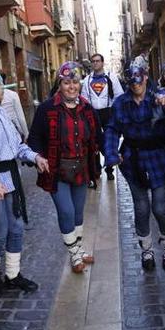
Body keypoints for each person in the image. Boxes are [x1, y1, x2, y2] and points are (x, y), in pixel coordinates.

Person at [0, 68, 49, 295]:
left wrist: (35, 157)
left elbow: (17, 145)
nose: (3, 86)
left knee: (16, 227)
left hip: (11, 176)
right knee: (0, 229)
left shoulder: (0, 111)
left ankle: (13, 274)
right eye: (1, 82)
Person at [104, 58, 165, 272]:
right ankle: (146, 251)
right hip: (133, 160)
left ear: (146, 76)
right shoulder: (120, 103)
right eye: (132, 81)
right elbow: (111, 129)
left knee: (160, 207)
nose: (136, 84)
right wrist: (110, 154)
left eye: (139, 79)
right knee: (141, 207)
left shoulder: (160, 98)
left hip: (159, 159)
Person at [28, 61, 100, 273]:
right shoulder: (47, 108)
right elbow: (34, 138)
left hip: (81, 169)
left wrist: (113, 153)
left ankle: (77, 249)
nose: (72, 86)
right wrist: (38, 157)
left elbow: (98, 136)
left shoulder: (87, 108)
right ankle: (74, 255)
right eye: (67, 82)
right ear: (59, 84)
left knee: (78, 214)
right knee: (66, 212)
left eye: (75, 82)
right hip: (57, 171)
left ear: (80, 84)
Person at [81, 53, 124, 183]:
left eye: (97, 61)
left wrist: (115, 111)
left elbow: (119, 95)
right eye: (93, 61)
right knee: (94, 141)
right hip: (93, 113)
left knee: (108, 140)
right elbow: (84, 97)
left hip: (108, 112)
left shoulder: (111, 77)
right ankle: (96, 168)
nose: (95, 63)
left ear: (102, 62)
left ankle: (109, 168)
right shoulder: (87, 80)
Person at [0, 72, 29, 141]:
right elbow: (21, 117)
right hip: (14, 130)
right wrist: (26, 134)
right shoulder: (12, 95)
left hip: (1, 132)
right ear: (5, 81)